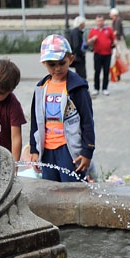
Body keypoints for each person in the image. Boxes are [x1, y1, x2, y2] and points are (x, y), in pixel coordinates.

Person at [28, 34, 95, 182]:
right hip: (47, 150)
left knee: (72, 192)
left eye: (61, 63)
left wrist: (87, 151)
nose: (57, 68)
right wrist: (34, 149)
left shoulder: (78, 87)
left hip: (69, 150)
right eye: (52, 64)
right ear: (44, 63)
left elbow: (87, 120)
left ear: (70, 60)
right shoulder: (41, 88)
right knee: (50, 191)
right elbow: (35, 120)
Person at [86, 14, 116, 96]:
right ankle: (96, 88)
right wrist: (92, 39)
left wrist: (116, 48)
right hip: (97, 54)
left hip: (107, 54)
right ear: (96, 22)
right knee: (97, 71)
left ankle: (105, 88)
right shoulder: (93, 30)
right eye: (98, 21)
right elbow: (88, 42)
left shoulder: (108, 29)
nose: (100, 22)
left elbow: (114, 39)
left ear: (103, 21)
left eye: (101, 21)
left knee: (106, 71)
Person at [110, 7, 129, 79]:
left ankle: (126, 61)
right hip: (119, 37)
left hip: (119, 37)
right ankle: (123, 60)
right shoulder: (116, 20)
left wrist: (112, 35)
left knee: (122, 48)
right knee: (120, 49)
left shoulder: (117, 20)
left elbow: (117, 30)